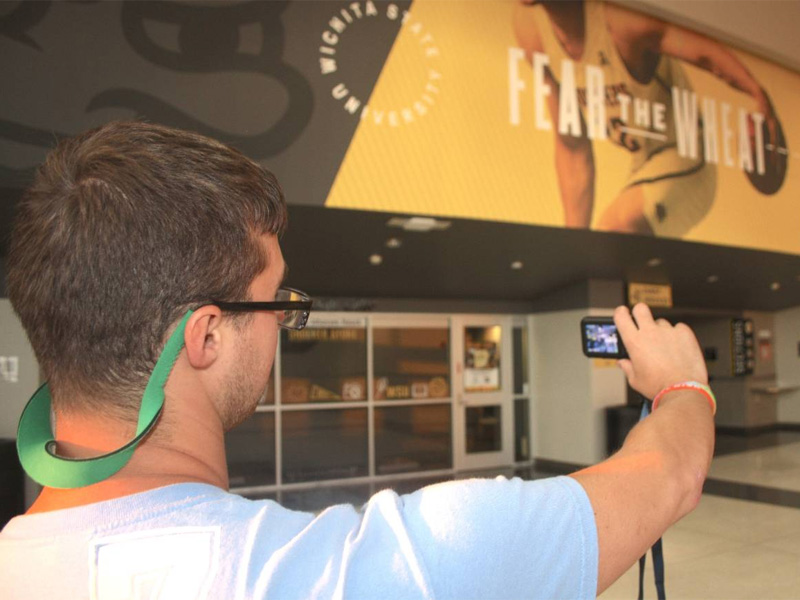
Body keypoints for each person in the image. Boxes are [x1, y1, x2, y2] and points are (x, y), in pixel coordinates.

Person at [0, 121, 714, 599]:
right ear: (207, 337)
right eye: (275, 301)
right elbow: (669, 476)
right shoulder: (366, 573)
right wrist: (682, 383)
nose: (283, 325)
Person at [513, 0, 778, 236]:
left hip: (687, 155)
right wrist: (573, 249)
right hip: (643, 164)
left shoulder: (619, 20)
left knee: (615, 227)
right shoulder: (532, 33)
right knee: (601, 249)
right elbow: (573, 147)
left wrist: (758, 94)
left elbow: (704, 54)